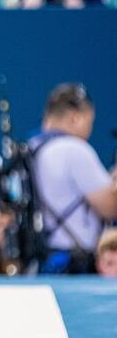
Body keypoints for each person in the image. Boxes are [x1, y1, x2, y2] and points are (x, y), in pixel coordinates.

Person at [30, 83, 117, 273]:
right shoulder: (74, 149)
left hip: (39, 264)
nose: (89, 131)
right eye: (90, 122)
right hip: (71, 266)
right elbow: (111, 207)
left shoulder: (32, 148)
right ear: (75, 118)